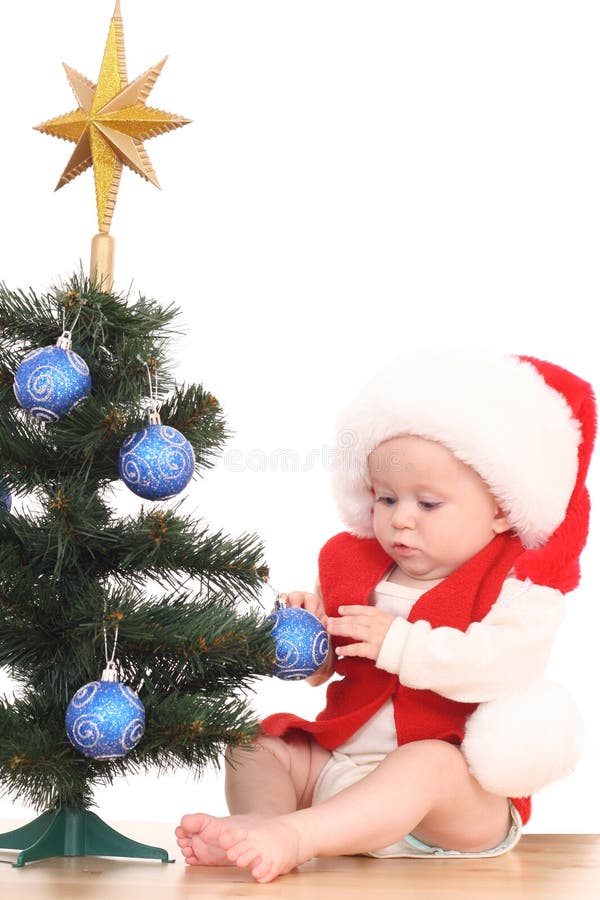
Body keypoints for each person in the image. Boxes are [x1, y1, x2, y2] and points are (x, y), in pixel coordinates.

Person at [176, 352, 595, 883]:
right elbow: (323, 672)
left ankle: (299, 836)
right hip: (343, 771)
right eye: (387, 497)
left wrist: (401, 644)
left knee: (428, 764)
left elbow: (505, 666)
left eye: (429, 503)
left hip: (452, 808)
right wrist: (310, 635)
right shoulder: (352, 563)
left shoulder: (519, 584)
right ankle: (263, 825)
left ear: (500, 510)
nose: (400, 519)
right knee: (255, 744)